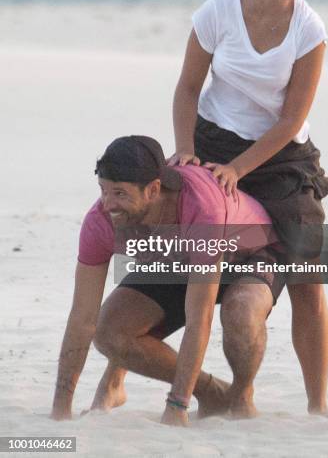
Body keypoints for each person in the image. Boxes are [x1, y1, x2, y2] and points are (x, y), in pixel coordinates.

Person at [169, 0, 328, 415]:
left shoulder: (310, 30)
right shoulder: (218, 11)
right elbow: (187, 91)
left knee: (311, 276)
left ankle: (318, 405)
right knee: (165, 252)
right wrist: (188, 153)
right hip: (212, 141)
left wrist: (239, 170)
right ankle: (117, 375)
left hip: (283, 159)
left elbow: (289, 121)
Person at [51, 135, 285, 426]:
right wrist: (60, 410)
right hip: (180, 257)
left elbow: (199, 318)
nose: (108, 204)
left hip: (251, 251)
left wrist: (177, 406)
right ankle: (214, 393)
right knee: (109, 331)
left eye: (120, 194)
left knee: (240, 312)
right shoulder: (100, 221)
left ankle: (240, 396)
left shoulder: (201, 208)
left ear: (153, 189)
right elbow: (81, 319)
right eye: (103, 191)